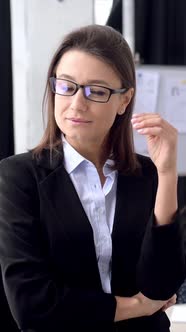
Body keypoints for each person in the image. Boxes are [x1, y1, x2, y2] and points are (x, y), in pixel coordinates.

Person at [0, 24, 185, 332]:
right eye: (67, 86)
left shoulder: (148, 175)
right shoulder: (17, 178)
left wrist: (167, 174)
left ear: (124, 100)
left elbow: (162, 286)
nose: (76, 104)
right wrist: (137, 306)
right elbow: (32, 304)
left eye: (96, 91)